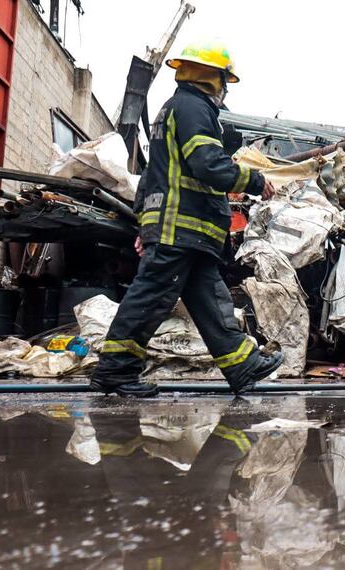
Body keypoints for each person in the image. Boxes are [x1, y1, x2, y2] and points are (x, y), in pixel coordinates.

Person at [90, 41, 281, 397]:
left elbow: (152, 177)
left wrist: (146, 224)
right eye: (224, 80)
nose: (225, 90)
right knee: (151, 299)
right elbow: (207, 164)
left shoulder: (175, 109)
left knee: (210, 299)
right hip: (183, 227)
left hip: (187, 231)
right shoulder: (194, 108)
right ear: (212, 78)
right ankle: (115, 371)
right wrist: (254, 180)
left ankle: (242, 365)